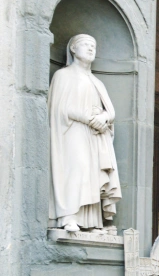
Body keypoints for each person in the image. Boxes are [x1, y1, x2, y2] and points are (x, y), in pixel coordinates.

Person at [48, 34, 121, 232]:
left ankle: (90, 222)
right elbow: (59, 108)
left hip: (96, 135)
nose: (91, 49)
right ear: (73, 49)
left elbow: (111, 111)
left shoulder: (97, 82)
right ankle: (68, 215)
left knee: (93, 174)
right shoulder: (63, 75)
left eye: (93, 46)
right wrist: (91, 119)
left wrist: (104, 119)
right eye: (85, 45)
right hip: (73, 130)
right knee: (77, 168)